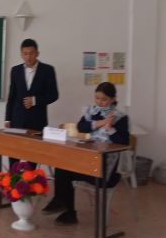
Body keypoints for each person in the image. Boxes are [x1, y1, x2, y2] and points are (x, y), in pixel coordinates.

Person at [42, 81, 130, 225]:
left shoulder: (120, 117)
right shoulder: (92, 111)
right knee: (62, 168)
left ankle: (64, 207)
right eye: (97, 98)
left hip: (104, 167)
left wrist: (109, 128)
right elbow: (81, 127)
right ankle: (66, 210)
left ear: (113, 99)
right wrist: (100, 123)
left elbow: (124, 142)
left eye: (104, 99)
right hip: (88, 159)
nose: (99, 102)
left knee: (66, 170)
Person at [4, 38, 59, 168]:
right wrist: (7, 118)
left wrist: (35, 100)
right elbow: (11, 96)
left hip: (37, 120)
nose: (28, 57)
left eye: (31, 53)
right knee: (13, 154)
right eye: (25, 53)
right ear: (21, 54)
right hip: (17, 119)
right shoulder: (15, 70)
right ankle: (13, 179)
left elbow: (54, 95)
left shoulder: (48, 70)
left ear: (37, 53)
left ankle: (31, 180)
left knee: (33, 156)